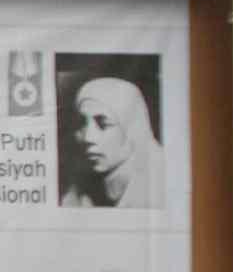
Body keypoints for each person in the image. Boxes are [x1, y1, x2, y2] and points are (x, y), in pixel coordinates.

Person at [61, 77, 163, 209]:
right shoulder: (76, 192)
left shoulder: (162, 185)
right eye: (81, 124)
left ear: (132, 129)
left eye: (104, 124)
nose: (88, 137)